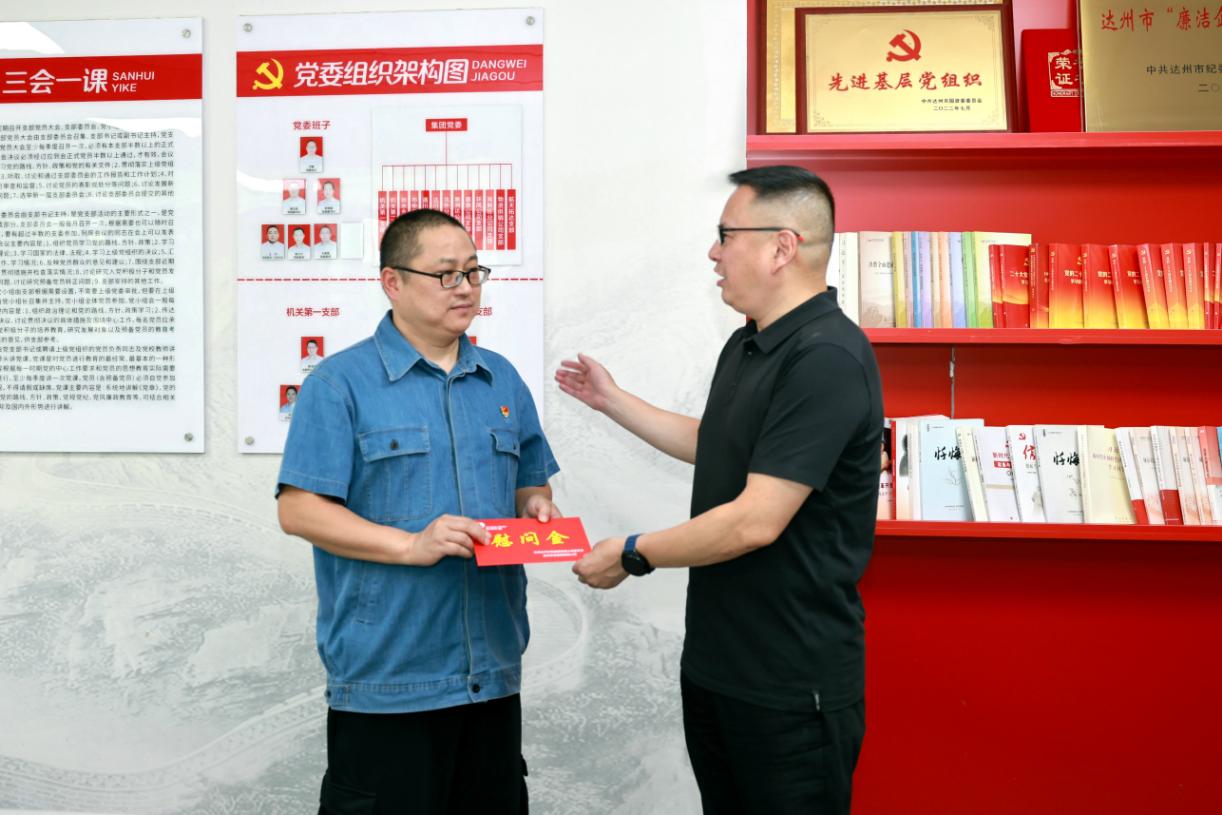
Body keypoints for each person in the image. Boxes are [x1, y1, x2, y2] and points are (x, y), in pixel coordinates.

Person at [558, 166, 882, 815]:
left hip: (789, 688)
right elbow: (719, 443)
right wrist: (612, 400)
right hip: (719, 669)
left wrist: (632, 552)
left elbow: (756, 520)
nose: (714, 252)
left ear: (782, 247)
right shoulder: (750, 342)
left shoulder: (826, 357)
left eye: (726, 235)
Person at [277, 207, 559, 814]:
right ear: (393, 282)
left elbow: (529, 487)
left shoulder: (502, 380)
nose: (466, 288)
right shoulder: (339, 384)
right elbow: (299, 511)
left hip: (492, 672)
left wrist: (536, 507)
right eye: (446, 274)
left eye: (474, 272)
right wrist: (410, 545)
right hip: (390, 679)